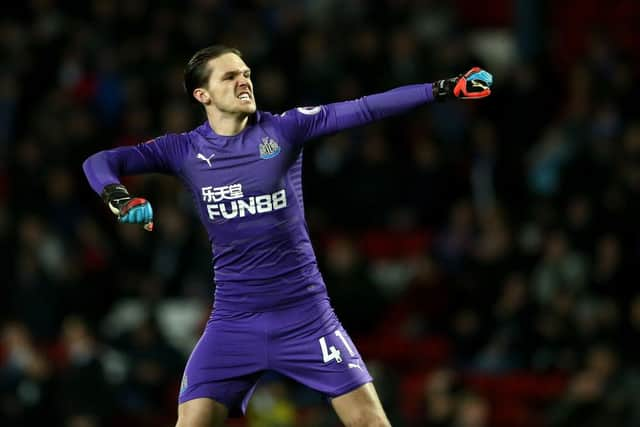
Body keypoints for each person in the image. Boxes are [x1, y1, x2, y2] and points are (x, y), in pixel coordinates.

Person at [82, 45, 492, 427]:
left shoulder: (284, 129)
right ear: (202, 95)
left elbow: (364, 108)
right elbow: (100, 161)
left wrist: (442, 88)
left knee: (370, 421)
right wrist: (118, 197)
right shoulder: (184, 150)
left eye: (246, 73)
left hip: (305, 316)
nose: (244, 81)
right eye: (229, 77)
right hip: (233, 322)